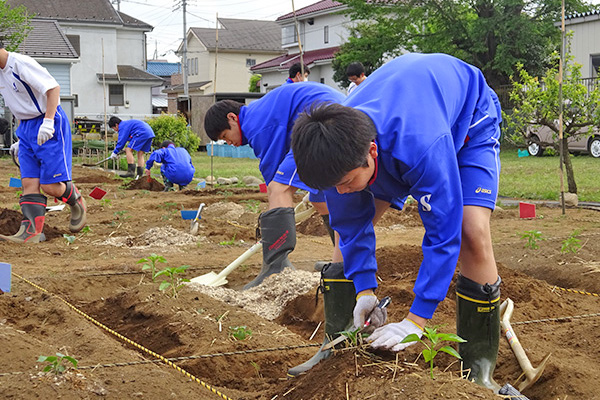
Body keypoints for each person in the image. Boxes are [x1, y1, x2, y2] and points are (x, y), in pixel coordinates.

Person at [291, 53, 503, 391]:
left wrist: (416, 320)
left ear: (372, 153)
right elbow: (350, 227)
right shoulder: (332, 159)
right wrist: (364, 289)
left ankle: (479, 373)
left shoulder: (421, 147)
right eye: (334, 185)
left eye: (346, 181)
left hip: (468, 117)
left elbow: (443, 234)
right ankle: (339, 344)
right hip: (398, 125)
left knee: (470, 230)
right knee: (344, 234)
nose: (341, 190)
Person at [0, 39, 86, 243]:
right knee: (28, 181)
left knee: (50, 187)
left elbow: (53, 88)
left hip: (48, 120)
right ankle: (31, 232)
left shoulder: (20, 64)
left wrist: (48, 122)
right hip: (27, 127)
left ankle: (77, 200)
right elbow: (17, 102)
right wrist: (22, 135)